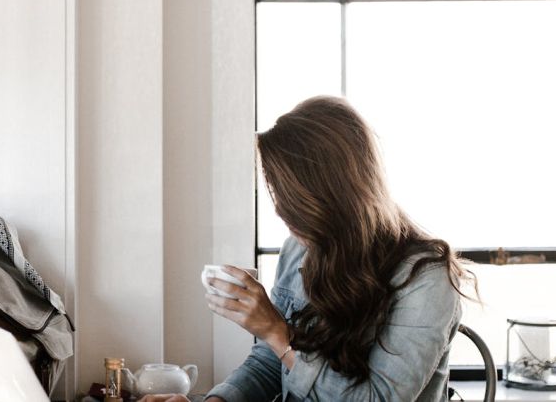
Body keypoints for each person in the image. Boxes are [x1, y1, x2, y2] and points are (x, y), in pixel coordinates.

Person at [141, 95, 476, 402]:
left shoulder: (427, 279)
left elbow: (378, 398)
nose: (279, 209)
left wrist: (276, 330)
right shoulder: (300, 251)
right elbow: (270, 363)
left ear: (329, 193)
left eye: (288, 196)